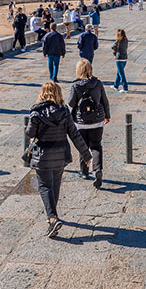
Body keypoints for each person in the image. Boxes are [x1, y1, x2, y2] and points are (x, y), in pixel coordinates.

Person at [26, 81, 93, 238]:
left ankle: (52, 218)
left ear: (43, 94)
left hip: (42, 155)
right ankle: (53, 217)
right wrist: (86, 154)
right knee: (55, 185)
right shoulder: (64, 111)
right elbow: (75, 135)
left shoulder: (36, 113)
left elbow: (30, 133)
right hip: (60, 155)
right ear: (58, 94)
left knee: (44, 186)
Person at [68, 59, 110, 187]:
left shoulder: (75, 85)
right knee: (96, 145)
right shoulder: (98, 83)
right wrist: (107, 116)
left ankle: (84, 172)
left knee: (83, 146)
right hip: (97, 120)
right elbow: (105, 101)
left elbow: (71, 103)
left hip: (81, 122)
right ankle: (97, 169)